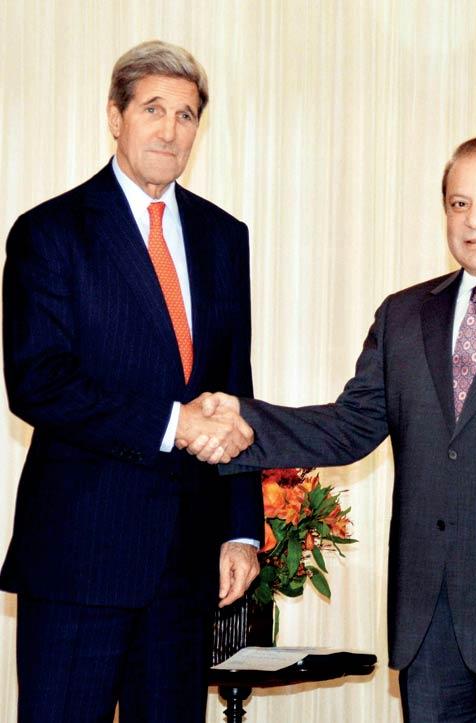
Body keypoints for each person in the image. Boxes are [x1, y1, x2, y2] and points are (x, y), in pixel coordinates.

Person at [182, 136, 476, 722]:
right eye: (459, 204)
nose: (475, 221)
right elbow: (348, 427)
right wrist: (241, 419)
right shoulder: (406, 314)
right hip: (429, 632)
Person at [2, 41, 263, 722]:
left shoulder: (222, 237)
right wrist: (174, 423)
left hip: (185, 567)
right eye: (153, 108)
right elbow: (38, 381)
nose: (170, 129)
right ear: (115, 116)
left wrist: (240, 530)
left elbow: (236, 388)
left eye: (186, 114)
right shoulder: (49, 232)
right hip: (78, 559)